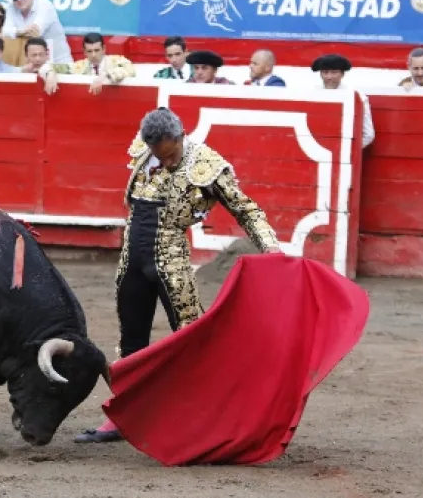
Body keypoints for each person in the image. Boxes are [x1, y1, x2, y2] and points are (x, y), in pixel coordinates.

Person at [75, 108, 282, 444]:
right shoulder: (144, 152)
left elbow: (246, 210)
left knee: (192, 339)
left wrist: (271, 248)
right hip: (132, 258)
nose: (165, 161)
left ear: (181, 136)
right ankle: (125, 416)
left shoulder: (207, 165)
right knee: (130, 341)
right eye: (159, 155)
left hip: (172, 262)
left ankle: (208, 418)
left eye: (170, 155)